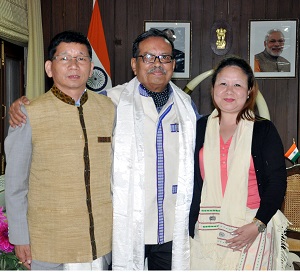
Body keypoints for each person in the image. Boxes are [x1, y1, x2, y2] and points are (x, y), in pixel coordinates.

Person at [8, 28, 200, 270]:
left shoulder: (186, 108)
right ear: (134, 63)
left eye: (164, 57)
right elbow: (16, 183)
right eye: (148, 57)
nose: (157, 64)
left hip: (165, 228)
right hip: (121, 228)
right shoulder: (116, 101)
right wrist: (20, 106)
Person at [5, 30, 115, 270]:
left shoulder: (109, 109)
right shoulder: (28, 114)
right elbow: (15, 185)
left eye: (81, 58)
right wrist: (20, 237)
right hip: (48, 244)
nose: (74, 64)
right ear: (49, 67)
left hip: (99, 242)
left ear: (91, 67)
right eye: (64, 58)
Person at [189, 56, 289, 270]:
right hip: (206, 227)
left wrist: (258, 224)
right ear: (213, 88)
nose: (229, 91)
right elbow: (191, 181)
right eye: (223, 83)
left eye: (237, 85)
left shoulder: (264, 130)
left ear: (249, 90)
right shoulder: (198, 128)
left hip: (251, 226)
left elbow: (277, 182)